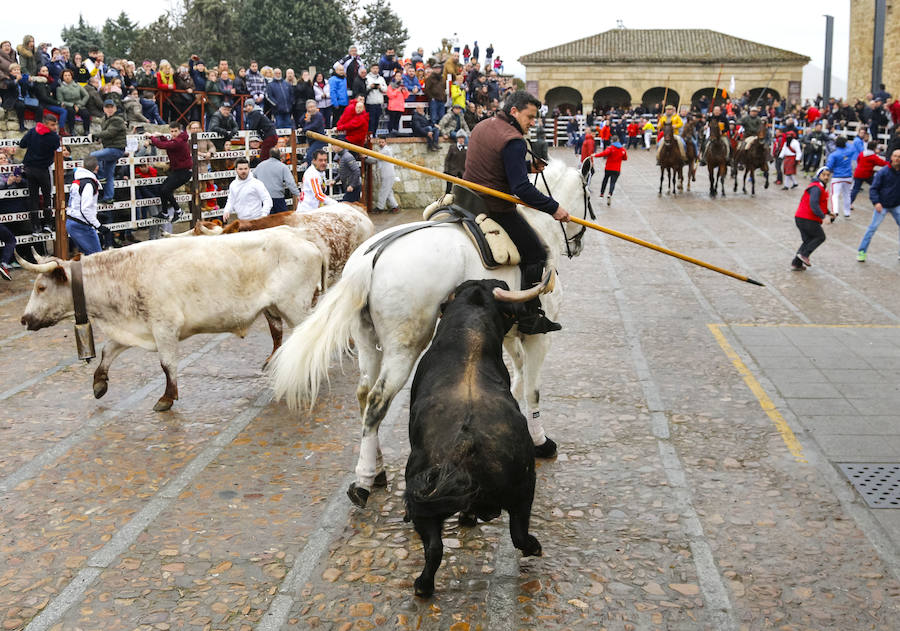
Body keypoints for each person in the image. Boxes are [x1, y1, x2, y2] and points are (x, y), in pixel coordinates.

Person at [462, 90, 569, 336]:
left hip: (467, 200)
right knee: (536, 252)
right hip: (495, 206)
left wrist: (526, 166)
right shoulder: (513, 140)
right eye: (529, 117)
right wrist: (555, 208)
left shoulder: (483, 125)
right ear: (513, 111)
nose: (533, 123)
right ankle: (529, 315)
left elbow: (491, 162)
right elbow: (521, 189)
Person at [19, 113, 61, 234]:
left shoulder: (32, 131)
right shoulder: (53, 136)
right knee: (47, 196)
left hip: (30, 168)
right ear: (46, 124)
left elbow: (22, 144)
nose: (55, 127)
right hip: (42, 169)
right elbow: (57, 147)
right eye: (53, 125)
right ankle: (48, 224)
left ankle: (35, 227)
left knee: (33, 198)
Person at [856, 149, 900, 263]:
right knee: (872, 228)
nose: (896, 159)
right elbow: (873, 188)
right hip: (882, 204)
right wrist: (876, 202)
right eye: (895, 156)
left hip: (896, 204)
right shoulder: (883, 172)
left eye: (899, 157)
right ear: (891, 157)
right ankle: (862, 251)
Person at [792, 167, 834, 270]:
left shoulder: (820, 187)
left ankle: (796, 264)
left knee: (808, 240)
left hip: (801, 217)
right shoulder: (816, 187)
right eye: (824, 175)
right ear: (818, 175)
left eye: (828, 175)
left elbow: (820, 203)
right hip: (807, 218)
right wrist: (823, 217)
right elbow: (814, 204)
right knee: (820, 237)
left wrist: (828, 212)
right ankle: (804, 255)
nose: (826, 177)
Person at [148, 122, 192, 222]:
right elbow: (168, 145)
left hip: (183, 172)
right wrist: (162, 136)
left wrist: (152, 137)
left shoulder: (179, 141)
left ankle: (178, 210)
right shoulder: (177, 140)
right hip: (178, 171)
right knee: (162, 189)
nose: (173, 133)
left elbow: (162, 145)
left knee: (165, 190)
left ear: (180, 130)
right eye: (172, 131)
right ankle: (165, 212)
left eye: (175, 131)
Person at [65, 155, 108, 255]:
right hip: (81, 224)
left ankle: (78, 271)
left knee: (86, 257)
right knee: (96, 257)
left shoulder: (78, 181)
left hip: (73, 221)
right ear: (96, 167)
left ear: (83, 165)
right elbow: (85, 209)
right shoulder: (89, 184)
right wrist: (98, 225)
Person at [90, 99, 127, 203]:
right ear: (104, 109)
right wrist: (100, 139)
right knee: (109, 175)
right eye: (107, 107)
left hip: (116, 149)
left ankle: (100, 177)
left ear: (115, 108)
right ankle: (108, 197)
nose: (110, 109)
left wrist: (95, 135)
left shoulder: (117, 119)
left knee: (92, 156)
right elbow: (108, 134)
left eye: (111, 107)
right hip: (111, 148)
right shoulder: (105, 119)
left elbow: (110, 132)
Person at [222, 157, 271, 221]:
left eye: (245, 169)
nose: (243, 171)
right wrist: (226, 211)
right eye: (240, 169)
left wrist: (264, 214)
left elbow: (267, 199)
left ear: (249, 169)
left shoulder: (256, 183)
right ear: (236, 169)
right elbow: (231, 200)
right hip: (242, 220)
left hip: (256, 220)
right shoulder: (233, 184)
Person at [254, 148, 299, 213]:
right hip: (277, 197)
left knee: (265, 220)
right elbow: (290, 183)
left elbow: (252, 178)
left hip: (263, 198)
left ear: (270, 155)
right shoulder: (283, 167)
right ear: (279, 155)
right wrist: (297, 194)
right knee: (283, 220)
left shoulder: (260, 165)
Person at [825, 135, 857, 218]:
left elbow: (829, 166)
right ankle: (847, 212)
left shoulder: (833, 154)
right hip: (848, 176)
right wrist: (845, 142)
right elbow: (853, 147)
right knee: (847, 194)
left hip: (837, 176)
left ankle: (835, 211)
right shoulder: (849, 151)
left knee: (835, 195)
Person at [851, 140, 888, 209]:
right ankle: (881, 202)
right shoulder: (873, 157)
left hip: (858, 173)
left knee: (855, 189)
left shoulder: (862, 153)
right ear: (874, 148)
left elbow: (858, 160)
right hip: (867, 175)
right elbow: (883, 163)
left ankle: (849, 203)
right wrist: (892, 164)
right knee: (878, 187)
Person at [593, 135, 628, 205]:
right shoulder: (622, 149)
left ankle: (601, 194)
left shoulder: (610, 148)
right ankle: (610, 194)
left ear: (612, 140)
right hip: (617, 169)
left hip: (608, 168)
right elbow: (625, 158)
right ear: (618, 140)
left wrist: (595, 155)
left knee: (605, 181)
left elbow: (604, 153)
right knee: (613, 183)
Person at [369, 134, 399, 213]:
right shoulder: (382, 150)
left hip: (388, 174)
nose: (381, 144)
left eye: (382, 142)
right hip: (386, 174)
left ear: (386, 142)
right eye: (379, 142)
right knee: (388, 192)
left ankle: (380, 208)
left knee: (383, 191)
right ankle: (395, 206)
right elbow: (375, 159)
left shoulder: (386, 151)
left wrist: (365, 156)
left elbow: (376, 157)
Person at [364, 64, 387, 136]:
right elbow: (364, 89)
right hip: (370, 102)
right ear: (371, 69)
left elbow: (385, 89)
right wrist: (370, 86)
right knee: (371, 120)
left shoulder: (381, 78)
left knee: (377, 120)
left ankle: (374, 134)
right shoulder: (367, 78)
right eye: (374, 68)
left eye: (377, 68)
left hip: (379, 102)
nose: (375, 70)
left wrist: (380, 87)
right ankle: (370, 134)